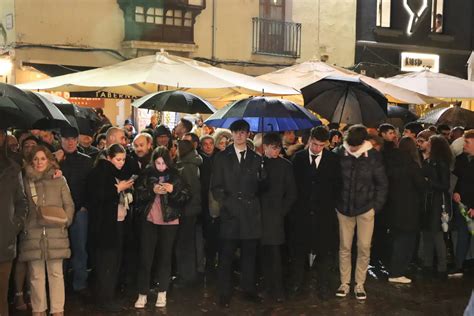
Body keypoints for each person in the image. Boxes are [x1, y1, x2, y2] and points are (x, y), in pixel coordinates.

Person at [211, 119, 263, 308]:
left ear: (248, 134)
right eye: (237, 132)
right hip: (230, 214)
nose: (240, 135)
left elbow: (261, 187)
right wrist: (227, 204)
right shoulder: (221, 158)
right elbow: (216, 187)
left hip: (250, 214)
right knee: (226, 256)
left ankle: (247, 289)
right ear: (231, 134)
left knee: (249, 255)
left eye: (243, 132)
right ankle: (224, 292)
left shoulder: (257, 159)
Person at [333, 125, 388, 300]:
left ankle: (360, 284)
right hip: (343, 208)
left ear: (363, 141)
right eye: (350, 145)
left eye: (355, 145)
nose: (352, 148)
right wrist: (336, 203)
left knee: (364, 247)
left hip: (365, 208)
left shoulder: (373, 156)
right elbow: (332, 181)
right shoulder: (338, 153)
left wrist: (374, 207)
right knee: (344, 247)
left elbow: (382, 183)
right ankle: (344, 283)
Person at [19, 145, 74, 316]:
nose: (39, 162)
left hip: (56, 233)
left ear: (49, 160)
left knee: (56, 273)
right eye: (35, 159)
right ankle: (38, 310)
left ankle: (58, 310)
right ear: (30, 161)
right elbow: (21, 205)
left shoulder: (59, 180)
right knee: (35, 275)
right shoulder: (26, 181)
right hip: (33, 233)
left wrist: (65, 221)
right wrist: (24, 225)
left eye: (43, 158)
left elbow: (69, 204)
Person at [133, 146, 191, 309]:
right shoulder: (147, 174)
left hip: (170, 220)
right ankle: (142, 293)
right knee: (146, 257)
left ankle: (162, 292)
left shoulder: (176, 175)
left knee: (165, 257)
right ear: (153, 162)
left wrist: (173, 190)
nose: (160, 167)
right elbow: (138, 195)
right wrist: (152, 190)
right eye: (158, 163)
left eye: (163, 163)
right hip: (149, 219)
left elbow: (186, 196)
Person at [290, 126, 341, 300]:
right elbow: (293, 186)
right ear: (309, 140)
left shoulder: (333, 160)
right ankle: (297, 284)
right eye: (314, 144)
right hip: (302, 214)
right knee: (299, 252)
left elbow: (337, 187)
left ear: (326, 144)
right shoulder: (298, 158)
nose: (316, 148)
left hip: (324, 214)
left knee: (323, 252)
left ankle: (323, 285)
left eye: (320, 145)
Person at [88, 144, 134, 312]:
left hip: (117, 223)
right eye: (118, 159)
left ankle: (108, 295)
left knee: (113, 261)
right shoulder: (101, 173)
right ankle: (104, 298)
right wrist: (118, 189)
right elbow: (98, 197)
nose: (121, 163)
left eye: (123, 159)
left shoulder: (115, 173)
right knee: (106, 262)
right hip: (105, 226)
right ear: (109, 158)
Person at [260, 133, 297, 302]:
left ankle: (277, 289)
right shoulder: (258, 163)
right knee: (262, 255)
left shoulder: (285, 166)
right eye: (273, 148)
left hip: (275, 216)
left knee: (275, 255)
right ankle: (265, 287)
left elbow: (291, 193)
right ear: (265, 147)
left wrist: (281, 211)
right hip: (258, 215)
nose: (276, 151)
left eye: (278, 148)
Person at [56, 127, 93, 293]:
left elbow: (91, 185)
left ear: (77, 140)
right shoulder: (53, 159)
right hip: (58, 212)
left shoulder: (86, 160)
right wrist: (55, 161)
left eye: (73, 139)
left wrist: (85, 205)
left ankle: (80, 284)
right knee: (59, 249)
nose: (70, 142)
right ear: (60, 140)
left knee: (79, 248)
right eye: (66, 139)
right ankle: (59, 284)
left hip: (80, 211)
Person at [385, 137, 426, 284]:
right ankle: (397, 272)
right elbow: (421, 186)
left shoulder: (391, 163)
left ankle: (395, 270)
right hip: (410, 209)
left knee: (398, 240)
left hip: (394, 208)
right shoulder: (412, 165)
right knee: (406, 241)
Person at [0, 130, 28, 316]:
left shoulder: (12, 168)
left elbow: (21, 202)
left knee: (1, 296)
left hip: (4, 239)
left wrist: (14, 225)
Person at [420, 135, 452, 279]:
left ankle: (442, 267)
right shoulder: (429, 160)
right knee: (427, 232)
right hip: (428, 202)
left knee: (436, 234)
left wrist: (429, 182)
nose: (426, 143)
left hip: (437, 203)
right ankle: (427, 264)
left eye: (429, 142)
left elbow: (445, 185)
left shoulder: (441, 163)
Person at [174, 140, 203, 286]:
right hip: (191, 209)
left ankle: (186, 276)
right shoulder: (192, 164)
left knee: (185, 244)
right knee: (187, 243)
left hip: (187, 210)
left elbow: (189, 191)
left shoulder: (186, 167)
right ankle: (187, 274)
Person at [449, 129, 474, 277]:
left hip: (470, 205)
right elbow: (457, 179)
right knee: (463, 235)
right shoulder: (461, 159)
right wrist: (456, 192)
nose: (464, 145)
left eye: (467, 142)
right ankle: (459, 265)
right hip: (462, 205)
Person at [198, 136, 219, 271]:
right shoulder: (199, 160)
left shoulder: (219, 158)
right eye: (205, 144)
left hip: (216, 200)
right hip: (203, 200)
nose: (208, 146)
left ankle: (212, 260)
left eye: (211, 143)